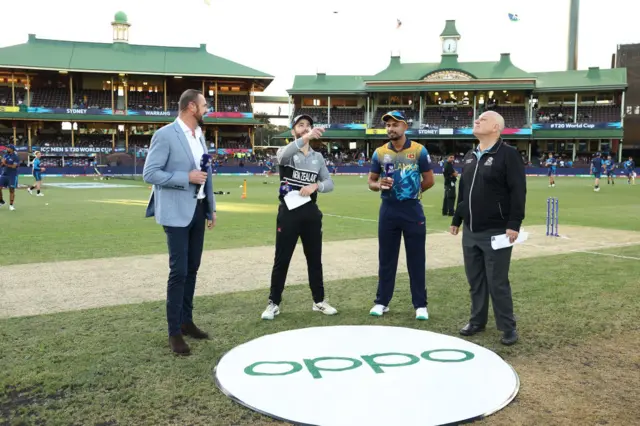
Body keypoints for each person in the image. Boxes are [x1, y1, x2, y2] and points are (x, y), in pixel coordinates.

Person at [143, 89, 216, 356]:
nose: (207, 108)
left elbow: (206, 174)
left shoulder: (200, 136)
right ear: (191, 107)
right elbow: (150, 174)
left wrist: (211, 208)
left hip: (198, 210)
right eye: (204, 105)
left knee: (193, 269)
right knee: (179, 271)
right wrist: (185, 177)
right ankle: (174, 332)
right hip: (175, 212)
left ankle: (186, 321)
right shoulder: (165, 135)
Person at [450, 111, 526, 346]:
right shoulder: (470, 155)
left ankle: (507, 327)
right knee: (475, 279)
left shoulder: (508, 154)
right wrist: (457, 219)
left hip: (497, 230)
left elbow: (518, 191)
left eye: (482, 119)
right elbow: (464, 191)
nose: (476, 121)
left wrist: (514, 224)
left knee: (497, 281)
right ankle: (477, 321)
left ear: (495, 127)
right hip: (471, 230)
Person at [261, 114, 338, 320]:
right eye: (300, 125)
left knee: (314, 259)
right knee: (282, 259)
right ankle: (273, 303)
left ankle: (319, 301)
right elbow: (283, 155)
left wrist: (316, 185)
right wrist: (306, 137)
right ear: (293, 130)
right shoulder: (285, 152)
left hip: (310, 213)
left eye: (308, 125)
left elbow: (329, 183)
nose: (305, 128)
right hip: (288, 213)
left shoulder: (317, 157)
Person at [367, 110, 435, 320]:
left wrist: (411, 191)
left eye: (395, 125)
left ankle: (420, 305)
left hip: (412, 209)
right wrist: (379, 185)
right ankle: (381, 302)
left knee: (416, 258)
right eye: (388, 125)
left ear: (405, 126)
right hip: (388, 209)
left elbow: (429, 180)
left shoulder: (419, 150)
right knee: (386, 258)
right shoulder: (379, 152)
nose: (390, 128)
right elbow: (371, 181)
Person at [0, 144, 19, 211]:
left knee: (11, 190)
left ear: (12, 149)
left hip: (12, 176)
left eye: (8, 148)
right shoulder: (5, 155)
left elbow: (14, 166)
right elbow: (2, 165)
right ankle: (1, 201)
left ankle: (11, 205)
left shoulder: (15, 157)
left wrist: (5, 163)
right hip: (4, 174)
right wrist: (2, 162)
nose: (7, 149)